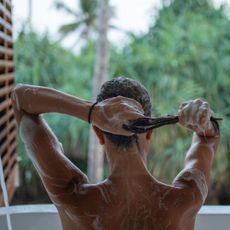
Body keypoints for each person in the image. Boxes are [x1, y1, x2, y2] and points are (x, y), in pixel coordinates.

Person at [11, 77, 219, 230]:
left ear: (98, 133)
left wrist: (91, 112)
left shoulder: (72, 198)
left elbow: (20, 99)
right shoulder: (184, 199)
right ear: (149, 134)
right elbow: (209, 138)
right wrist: (205, 121)